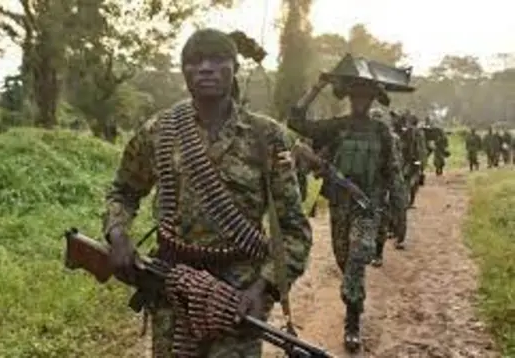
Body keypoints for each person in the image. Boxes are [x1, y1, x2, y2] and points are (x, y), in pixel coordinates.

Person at [102, 28, 312, 358]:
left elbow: (294, 229)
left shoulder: (266, 136)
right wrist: (117, 235)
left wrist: (263, 288)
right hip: (172, 288)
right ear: (183, 70)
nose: (206, 68)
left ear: (235, 68)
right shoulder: (159, 131)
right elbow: (124, 191)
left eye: (218, 60)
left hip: (237, 297)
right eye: (195, 61)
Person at [288, 73, 406, 352]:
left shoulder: (381, 133)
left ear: (372, 99)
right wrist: (317, 86)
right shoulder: (338, 127)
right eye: (356, 96)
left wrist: (400, 215)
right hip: (340, 206)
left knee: (356, 258)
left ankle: (352, 322)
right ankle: (354, 300)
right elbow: (295, 121)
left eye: (366, 97)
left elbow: (394, 174)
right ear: (351, 98)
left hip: (368, 207)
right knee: (344, 260)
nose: (361, 102)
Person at [371, 109, 408, 266]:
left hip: (384, 182)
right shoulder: (365, 137)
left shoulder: (391, 138)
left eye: (378, 118)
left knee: (382, 216)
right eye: (374, 118)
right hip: (368, 183)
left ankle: (378, 253)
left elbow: (397, 161)